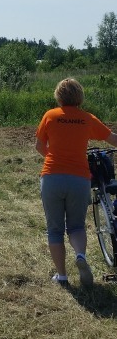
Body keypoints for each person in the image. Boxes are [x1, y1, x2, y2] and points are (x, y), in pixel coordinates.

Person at [35, 78, 117, 288]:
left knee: (55, 229)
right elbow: (112, 139)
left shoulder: (50, 116)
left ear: (59, 96)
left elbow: (39, 146)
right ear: (80, 96)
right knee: (77, 226)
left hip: (52, 177)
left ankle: (62, 276)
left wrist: (53, 158)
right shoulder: (87, 118)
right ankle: (80, 255)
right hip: (79, 179)